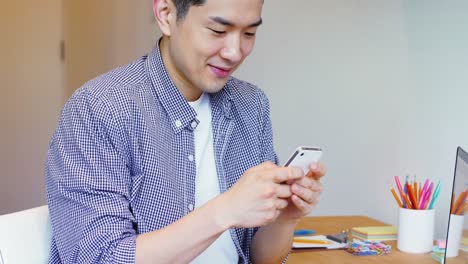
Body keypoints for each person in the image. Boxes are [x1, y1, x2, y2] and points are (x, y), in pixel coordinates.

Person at [45, 0, 326, 263]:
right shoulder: (99, 108)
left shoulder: (252, 105)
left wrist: (284, 219)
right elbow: (102, 257)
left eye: (249, 33)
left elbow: (259, 257)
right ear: (166, 14)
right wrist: (224, 210)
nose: (235, 51)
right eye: (218, 30)